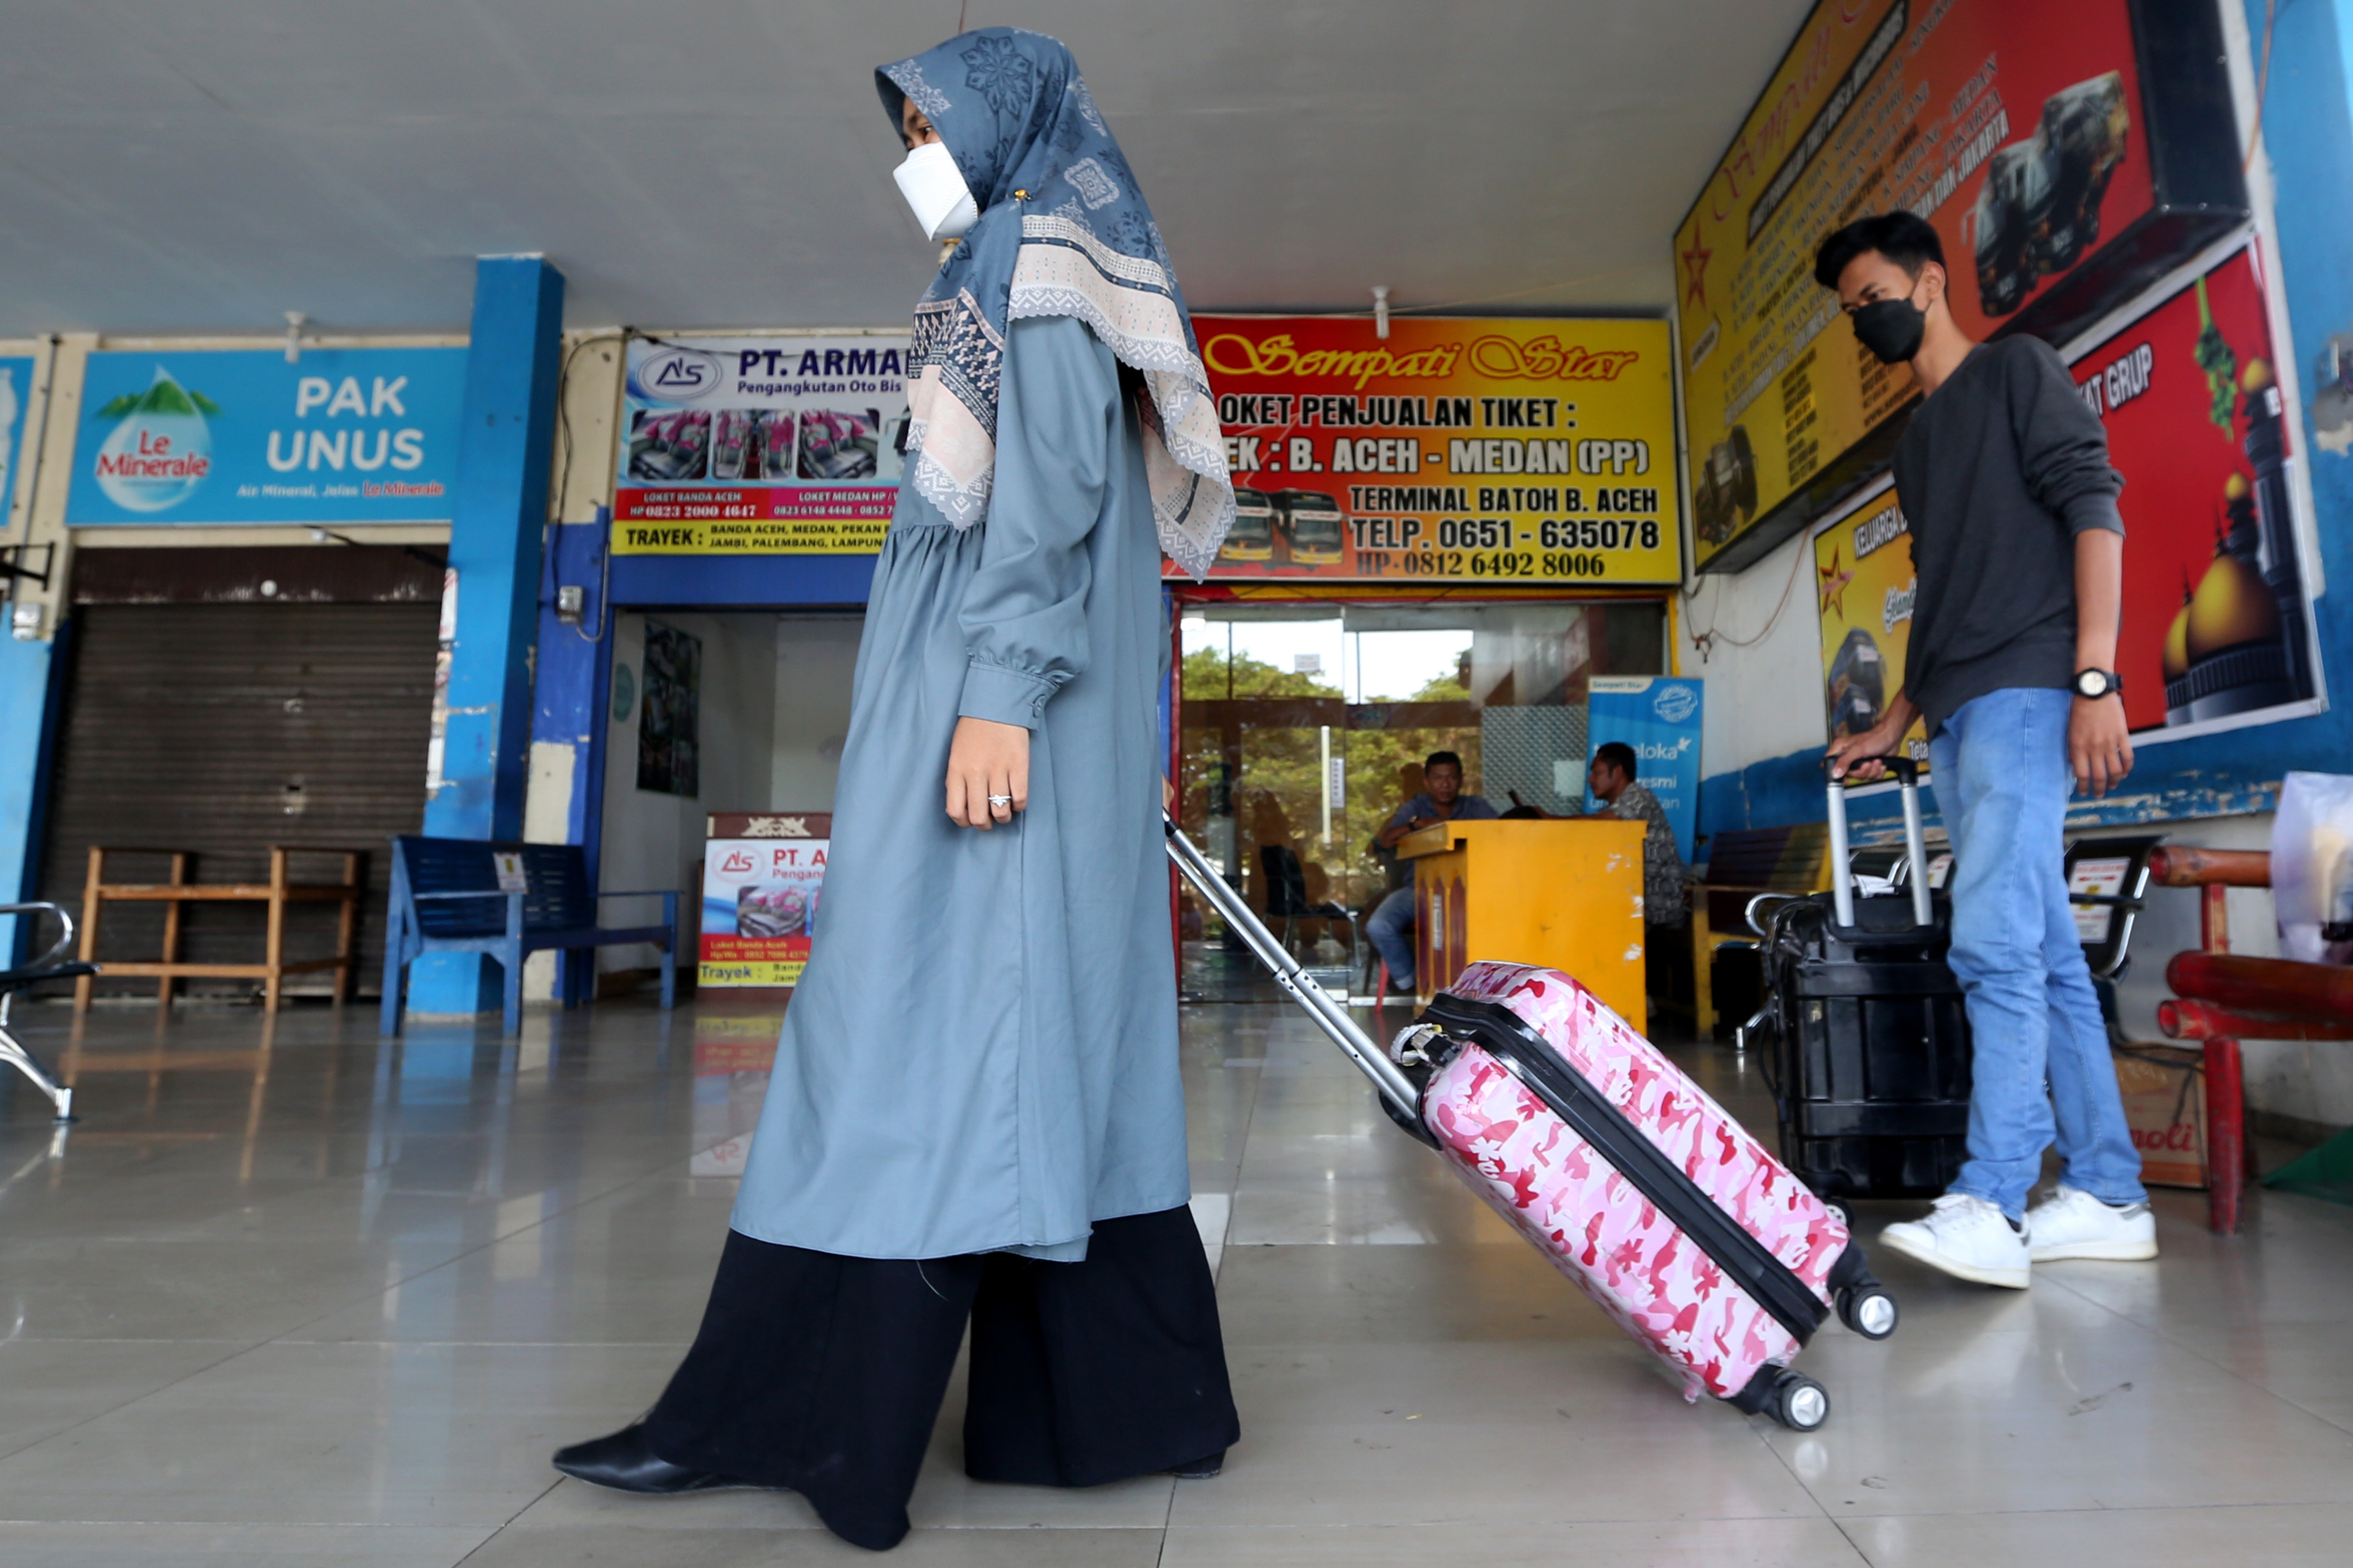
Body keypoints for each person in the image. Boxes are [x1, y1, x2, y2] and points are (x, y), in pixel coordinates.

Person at [550, 31, 1241, 1551]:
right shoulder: (1034, 246)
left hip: (1002, 709)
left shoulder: (1035, 249)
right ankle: (1111, 1414)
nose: (915, 145)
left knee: (896, 1037)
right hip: (1019, 699)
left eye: (929, 118)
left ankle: (782, 1420)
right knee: (1043, 1039)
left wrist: (994, 696)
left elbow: (1050, 488)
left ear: (997, 121)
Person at [1815, 211, 2154, 1290]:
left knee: (1994, 945)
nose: (1862, 319)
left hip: (2029, 689)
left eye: (1871, 297)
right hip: (1961, 711)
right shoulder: (1917, 445)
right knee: (2047, 961)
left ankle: (1994, 1198)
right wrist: (1895, 723)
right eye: (1848, 312)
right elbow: (1948, 597)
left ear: (1928, 281)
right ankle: (2107, 1190)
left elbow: (2094, 512)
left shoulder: (2017, 370)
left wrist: (2094, 677)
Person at [1365, 750, 1498, 993]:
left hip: (1470, 892)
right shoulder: (1416, 807)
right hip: (1418, 890)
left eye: (1451, 777)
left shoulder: (1476, 807)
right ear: (1427, 782)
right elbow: (1386, 842)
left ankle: (1476, 991)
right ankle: (1414, 986)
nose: (1445, 784)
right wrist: (1416, 825)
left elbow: (1502, 837)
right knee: (1379, 925)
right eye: (1438, 778)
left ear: (1461, 780)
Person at [1586, 740, 1691, 1008]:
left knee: (1599, 920)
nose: (1591, 779)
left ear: (1618, 773)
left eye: (1597, 772)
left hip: (1658, 905)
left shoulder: (1638, 798)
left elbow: (1609, 822)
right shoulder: (1611, 810)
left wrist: (1550, 820)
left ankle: (1631, 1003)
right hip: (1637, 901)